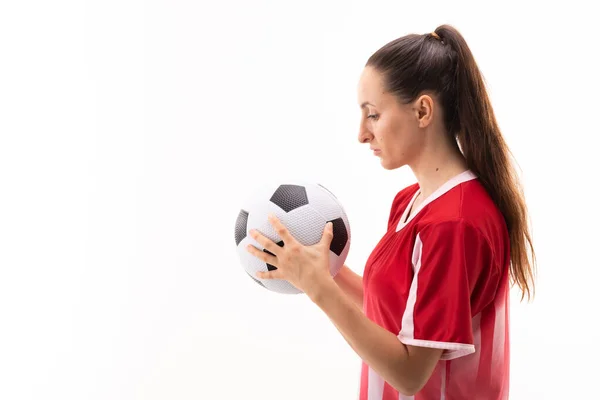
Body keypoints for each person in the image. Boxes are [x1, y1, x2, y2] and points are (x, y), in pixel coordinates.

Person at [246, 24, 536, 400]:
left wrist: (321, 291)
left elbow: (410, 373)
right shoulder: (411, 201)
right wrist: (323, 272)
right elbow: (395, 314)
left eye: (373, 115)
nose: (362, 134)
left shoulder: (454, 223)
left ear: (423, 111)